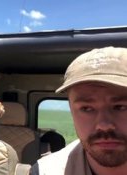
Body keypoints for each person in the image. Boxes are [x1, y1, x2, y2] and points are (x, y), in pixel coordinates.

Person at [30, 46, 127, 175]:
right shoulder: (46, 171)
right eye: (86, 108)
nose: (103, 125)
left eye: (121, 107)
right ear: (71, 111)